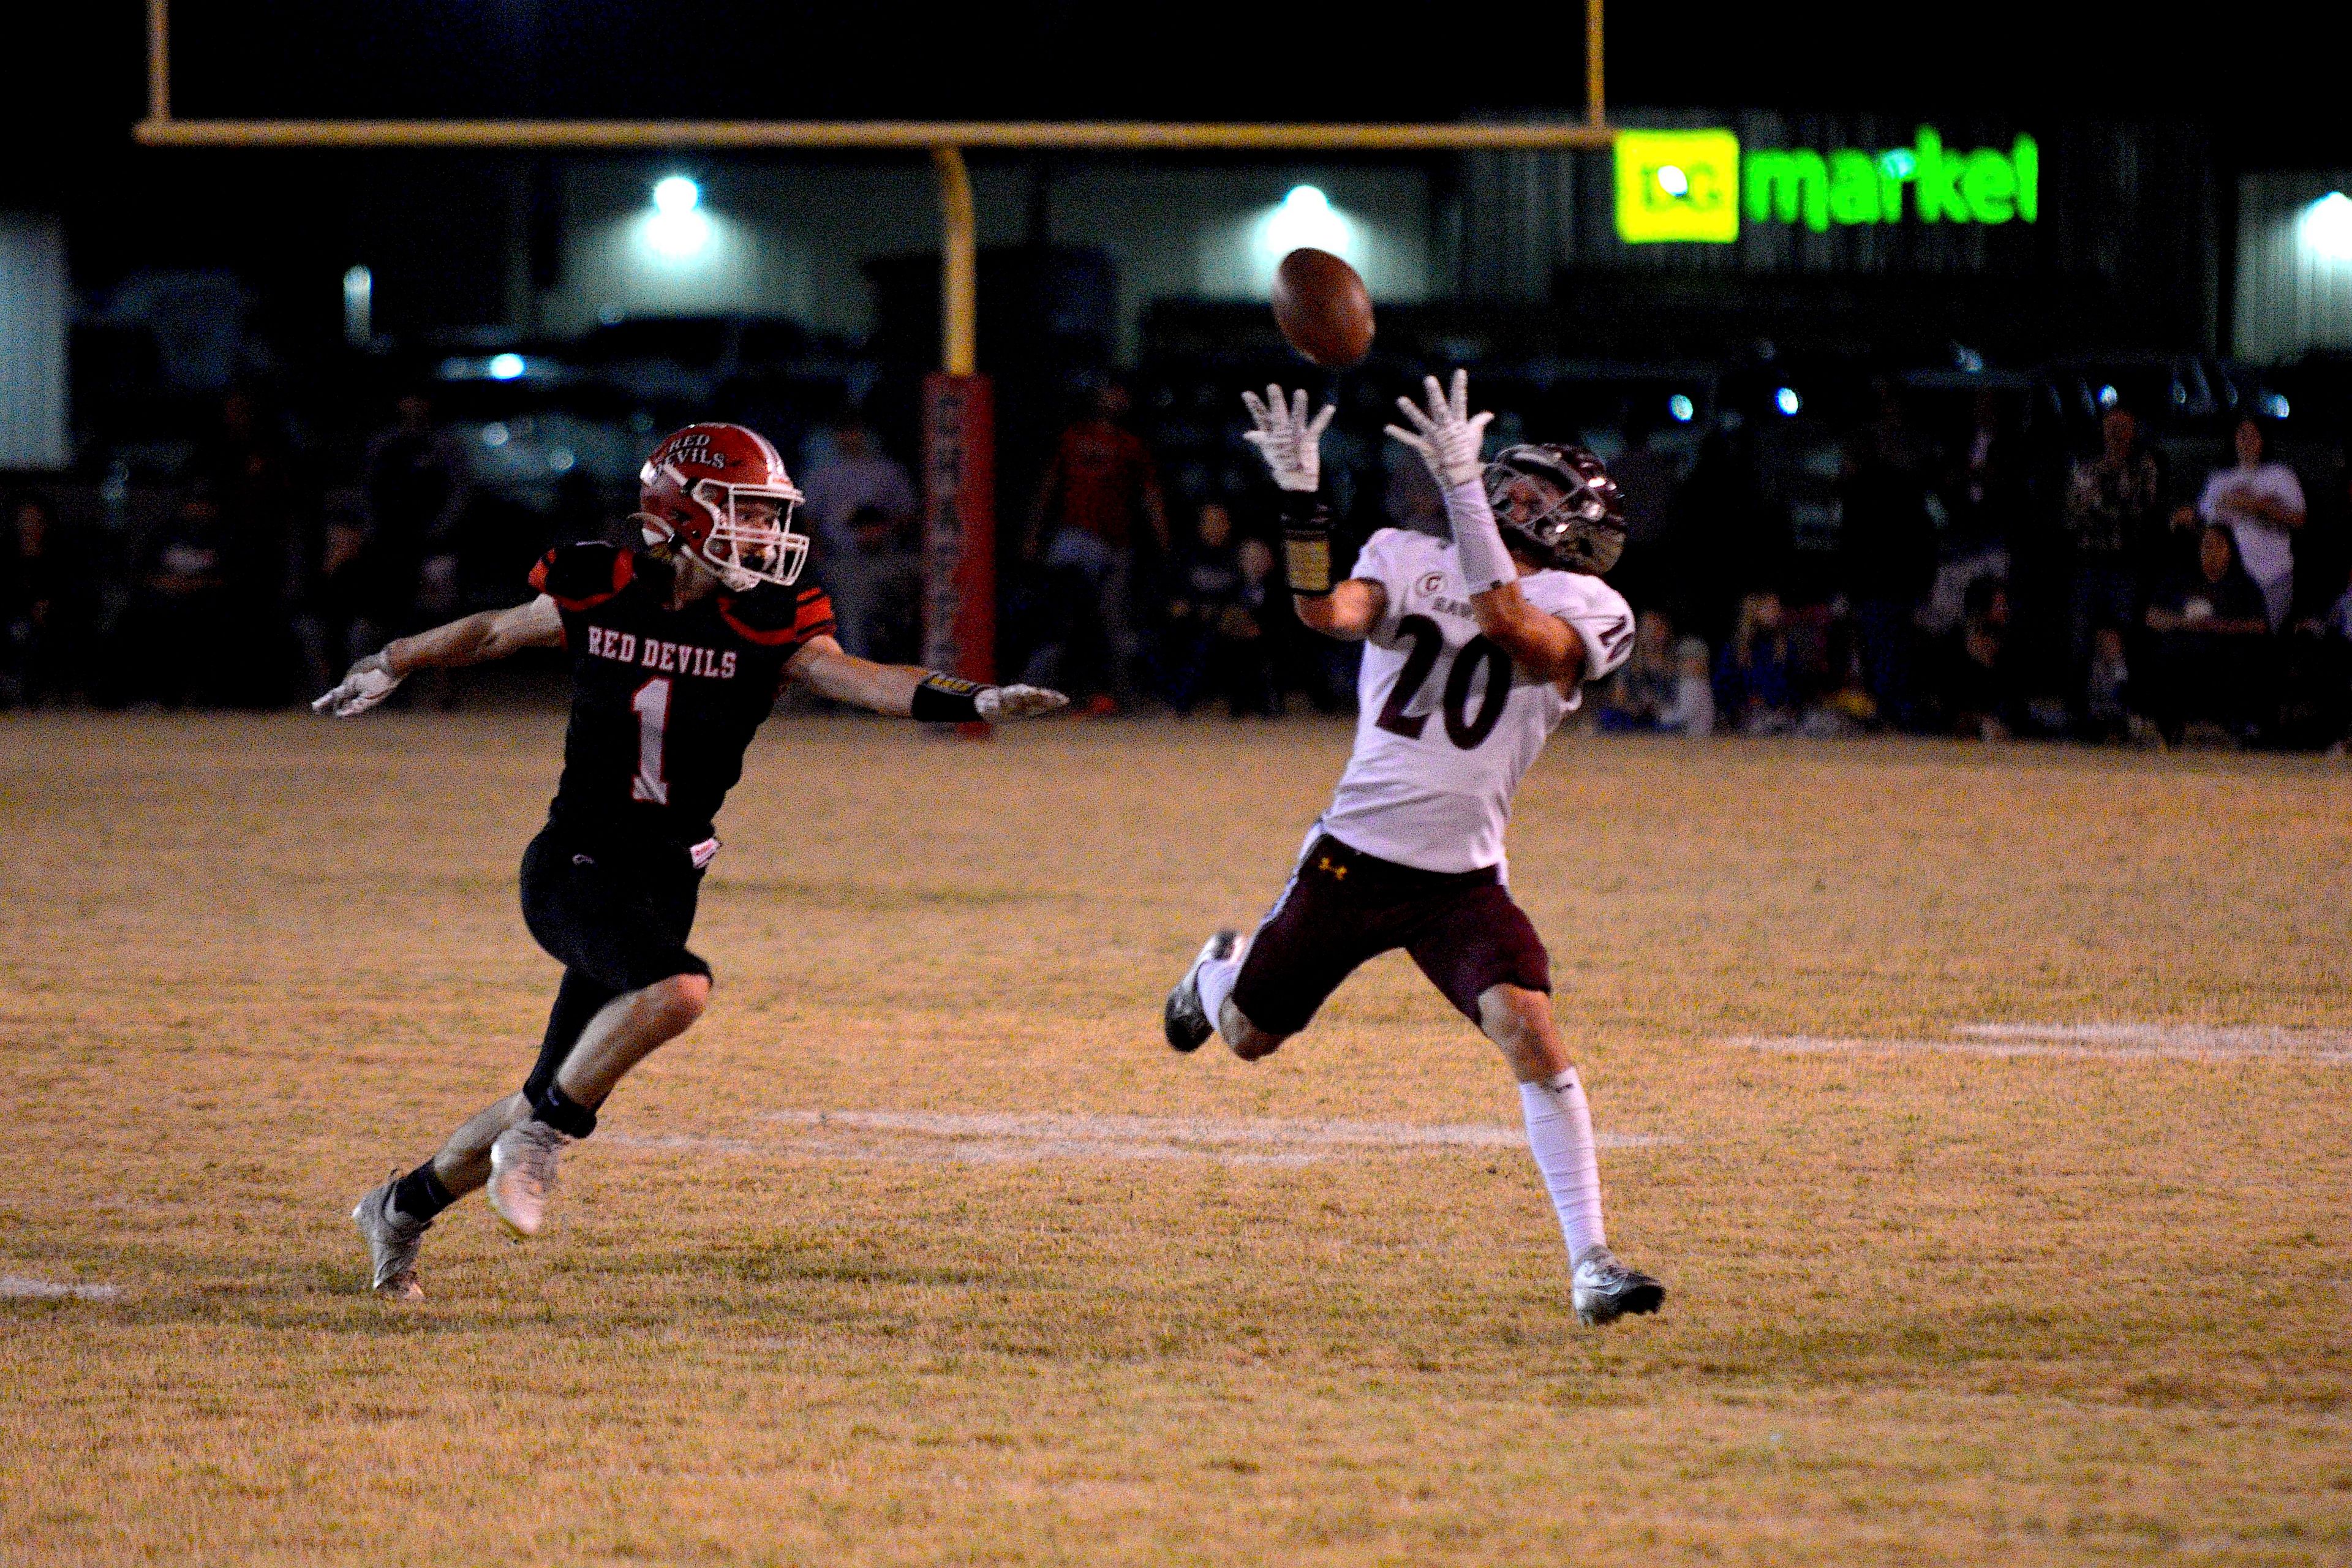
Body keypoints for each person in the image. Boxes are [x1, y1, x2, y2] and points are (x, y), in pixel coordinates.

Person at [318, 423, 1068, 1300]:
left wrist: (969, 698)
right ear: (678, 513)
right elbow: (490, 634)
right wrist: (395, 659)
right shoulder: (601, 583)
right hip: (576, 862)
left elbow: (865, 679)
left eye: (767, 514)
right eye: (745, 512)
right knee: (677, 991)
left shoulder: (769, 619)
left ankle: (400, 1208)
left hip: (665, 880)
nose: (766, 533)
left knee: (545, 1091)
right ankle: (543, 1142)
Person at [1161, 374, 1664, 1327]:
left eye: (1535, 494)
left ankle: (1592, 1261)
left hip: (1462, 883)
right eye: (1507, 486)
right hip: (1351, 861)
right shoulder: (1403, 552)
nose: (1513, 499)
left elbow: (1515, 631)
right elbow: (1324, 613)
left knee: (1530, 1028)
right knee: (1250, 1038)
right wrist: (1303, 496)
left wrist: (1467, 492)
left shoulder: (1592, 604)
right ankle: (1218, 973)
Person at [1020, 383, 1169, 709]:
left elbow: (1151, 496)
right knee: (1057, 621)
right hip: (1071, 540)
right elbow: (1049, 486)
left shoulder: (1132, 445)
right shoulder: (1073, 436)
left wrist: (1164, 544)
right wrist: (1033, 535)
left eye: (1121, 394)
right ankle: (1029, 697)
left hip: (1114, 544)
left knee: (1115, 624)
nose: (1115, 399)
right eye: (1109, 392)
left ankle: (1124, 697)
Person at [2062, 408, 2164, 704]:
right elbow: (2074, 513)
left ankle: (2125, 704)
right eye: (2112, 426)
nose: (2117, 433)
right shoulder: (2087, 465)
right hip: (2089, 561)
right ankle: (2077, 705)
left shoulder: (2144, 467)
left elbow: (2140, 511)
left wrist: (2100, 506)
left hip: (2126, 563)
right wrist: (2107, 508)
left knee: (2126, 634)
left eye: (2124, 426)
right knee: (2080, 635)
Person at [2138, 522, 2271, 743]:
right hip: (2181, 647)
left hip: (2226, 650)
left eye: (2219, 546)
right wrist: (2183, 623)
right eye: (2207, 546)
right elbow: (2151, 616)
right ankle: (2168, 725)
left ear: (2230, 551)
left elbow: (2259, 625)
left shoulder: (2243, 586)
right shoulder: (2180, 580)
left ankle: (2223, 726)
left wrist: (2217, 626)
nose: (2212, 552)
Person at [799, 422, 921, 661]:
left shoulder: (889, 471)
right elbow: (810, 521)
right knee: (853, 614)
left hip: (890, 558)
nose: (851, 438)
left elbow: (910, 516)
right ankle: (856, 668)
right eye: (845, 431)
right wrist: (817, 554)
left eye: (856, 431)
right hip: (843, 561)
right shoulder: (822, 473)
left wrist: (879, 529)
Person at [2197, 417, 2304, 631]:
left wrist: (2249, 503)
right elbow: (2207, 521)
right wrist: (2259, 504)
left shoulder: (2281, 475)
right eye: (2242, 435)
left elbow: (2298, 519)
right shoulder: (2219, 479)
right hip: (2227, 579)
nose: (2248, 440)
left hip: (2273, 575)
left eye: (2253, 435)